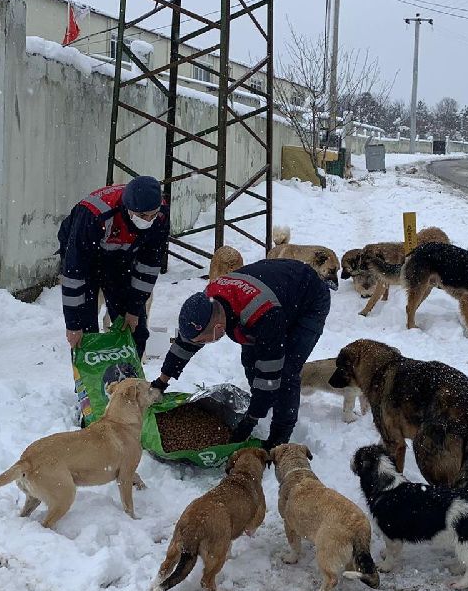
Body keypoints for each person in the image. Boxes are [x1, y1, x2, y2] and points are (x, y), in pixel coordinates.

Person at [152, 258, 331, 449]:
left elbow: (270, 371)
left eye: (205, 340)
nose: (203, 344)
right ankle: (264, 402)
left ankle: (280, 436)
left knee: (286, 371)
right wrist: (161, 382)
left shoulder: (261, 314)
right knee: (250, 359)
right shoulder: (206, 303)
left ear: (218, 328)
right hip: (277, 289)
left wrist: (250, 420)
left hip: (309, 298)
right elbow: (184, 344)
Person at [57, 176, 168, 355]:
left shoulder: (160, 214)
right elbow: (74, 275)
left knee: (133, 329)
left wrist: (133, 309)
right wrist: (73, 324)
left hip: (121, 257)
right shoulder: (96, 215)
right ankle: (90, 379)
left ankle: (129, 379)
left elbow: (149, 264)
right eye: (142, 216)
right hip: (85, 253)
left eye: (152, 215)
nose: (148, 220)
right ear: (127, 207)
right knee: (85, 334)